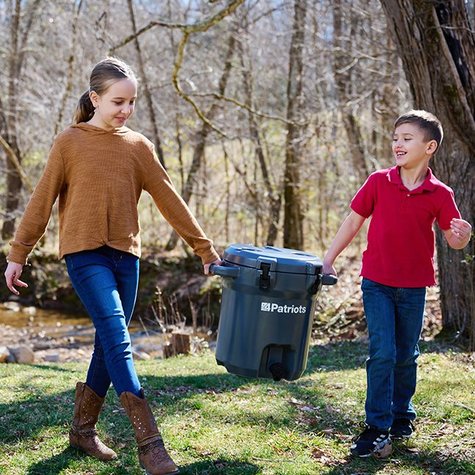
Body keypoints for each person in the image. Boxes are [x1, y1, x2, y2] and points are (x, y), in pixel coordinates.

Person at [4, 57, 221, 475]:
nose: (125, 110)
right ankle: (150, 444)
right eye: (118, 101)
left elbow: (169, 199)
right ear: (95, 98)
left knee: (107, 342)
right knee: (119, 337)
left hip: (127, 257)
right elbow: (41, 199)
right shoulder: (69, 142)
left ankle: (82, 431)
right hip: (84, 254)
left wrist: (205, 249)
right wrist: (18, 253)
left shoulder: (138, 147)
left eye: (132, 102)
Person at [322, 110, 472, 459]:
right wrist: (327, 259)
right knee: (383, 353)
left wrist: (462, 237)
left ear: (429, 146)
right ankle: (376, 426)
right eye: (395, 138)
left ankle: (402, 413)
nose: (398, 144)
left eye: (407, 138)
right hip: (376, 282)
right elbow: (353, 221)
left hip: (413, 287)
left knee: (406, 355)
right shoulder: (378, 181)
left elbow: (454, 239)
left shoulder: (440, 193)